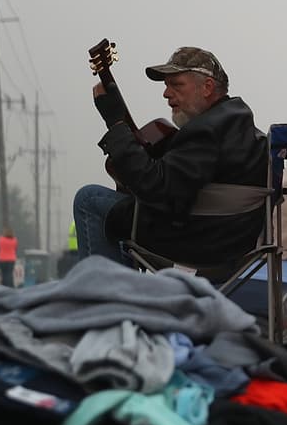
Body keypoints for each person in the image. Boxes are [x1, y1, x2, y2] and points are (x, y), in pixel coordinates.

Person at [72, 46, 268, 269]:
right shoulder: (238, 124)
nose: (166, 93)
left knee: (89, 199)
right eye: (166, 85)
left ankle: (111, 299)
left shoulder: (206, 131)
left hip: (199, 239)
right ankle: (125, 294)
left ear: (207, 87)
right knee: (118, 214)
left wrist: (116, 125)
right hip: (229, 237)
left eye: (177, 85)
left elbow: (157, 190)